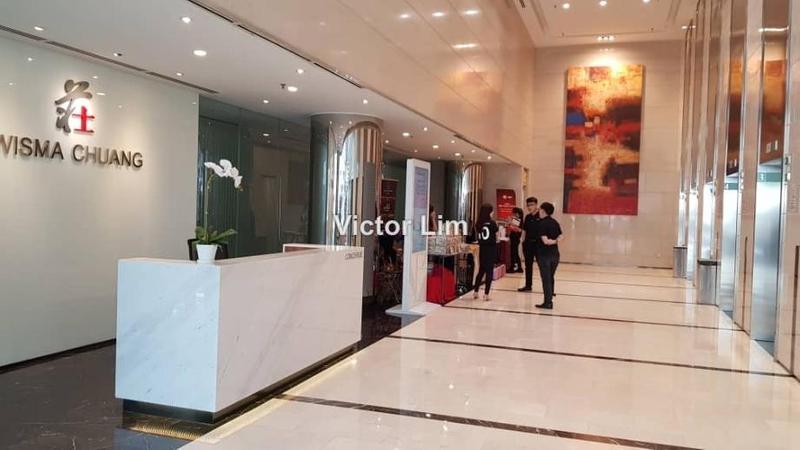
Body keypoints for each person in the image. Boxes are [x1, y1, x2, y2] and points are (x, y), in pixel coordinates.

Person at [535, 202, 563, 309]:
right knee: (550, 277)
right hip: (555, 255)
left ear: (543, 211)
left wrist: (552, 241)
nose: (538, 211)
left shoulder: (541, 224)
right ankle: (549, 299)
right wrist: (556, 241)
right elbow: (561, 237)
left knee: (546, 279)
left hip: (544, 255)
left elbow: (545, 241)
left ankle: (548, 302)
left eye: (540, 210)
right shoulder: (555, 222)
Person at [472, 203, 499, 301]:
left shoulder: (478, 223)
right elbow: (497, 236)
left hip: (482, 249)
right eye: (492, 211)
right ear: (489, 212)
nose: (493, 213)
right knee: (489, 272)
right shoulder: (492, 223)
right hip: (491, 249)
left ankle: (475, 292)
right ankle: (486, 294)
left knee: (481, 271)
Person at [517, 197, 540, 292]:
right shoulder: (528, 217)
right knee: (528, 266)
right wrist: (522, 241)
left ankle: (548, 288)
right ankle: (528, 285)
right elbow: (524, 230)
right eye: (528, 205)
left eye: (532, 205)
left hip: (539, 245)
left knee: (543, 266)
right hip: (528, 244)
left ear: (536, 205)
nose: (530, 207)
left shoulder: (541, 216)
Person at [507, 207, 524, 273]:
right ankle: (519, 268)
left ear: (517, 213)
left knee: (513, 253)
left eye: (513, 213)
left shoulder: (517, 219)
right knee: (515, 253)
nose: (512, 214)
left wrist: (509, 223)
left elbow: (514, 229)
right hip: (515, 238)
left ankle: (513, 268)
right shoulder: (518, 219)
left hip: (515, 238)